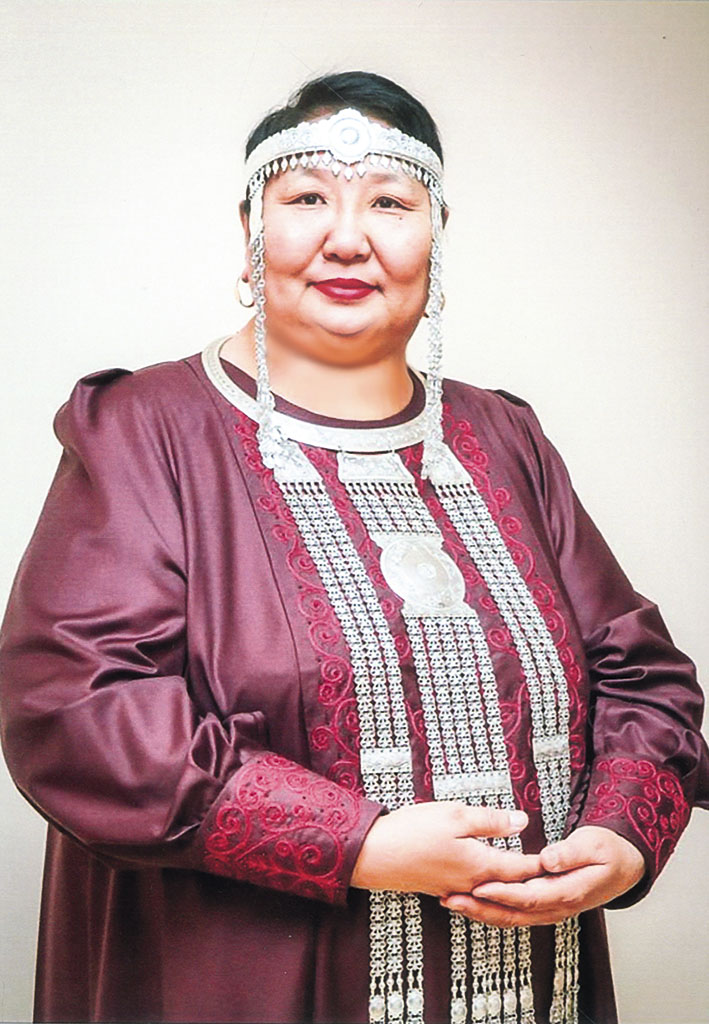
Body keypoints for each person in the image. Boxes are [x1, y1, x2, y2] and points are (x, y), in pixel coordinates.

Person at [0, 71, 707, 1024]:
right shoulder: (146, 429)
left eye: (389, 203)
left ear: (437, 237)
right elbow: (78, 710)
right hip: (241, 984)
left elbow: (643, 679)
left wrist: (620, 839)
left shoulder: (505, 438)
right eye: (304, 199)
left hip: (529, 980)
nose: (346, 238)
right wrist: (357, 843)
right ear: (248, 232)